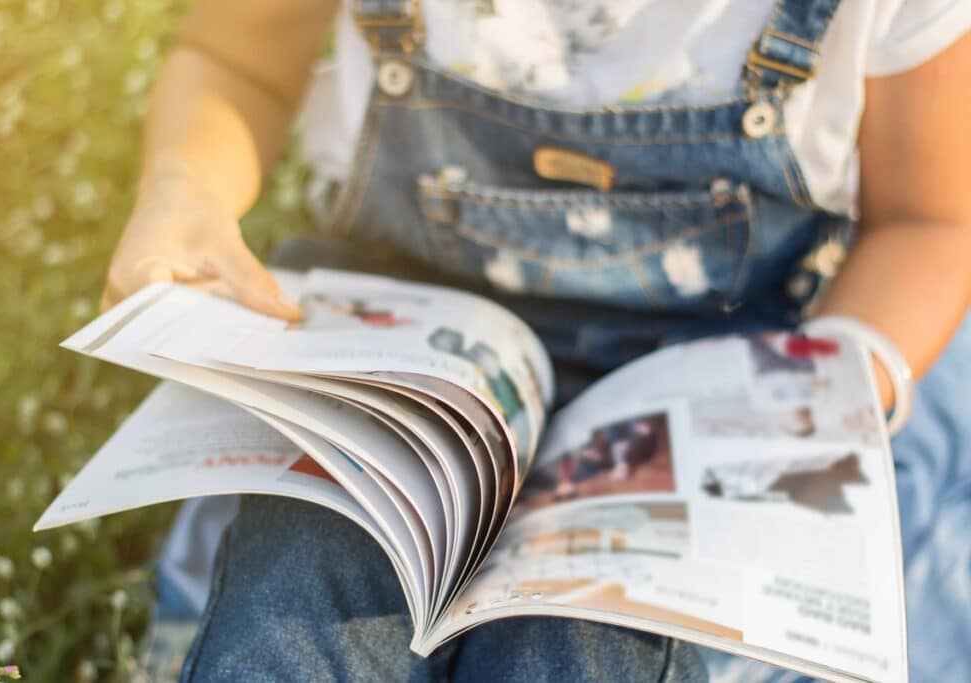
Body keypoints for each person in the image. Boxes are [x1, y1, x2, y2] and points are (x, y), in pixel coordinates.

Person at [100, 1, 971, 681]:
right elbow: (235, 57)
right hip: (404, 355)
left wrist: (835, 390)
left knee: (582, 644)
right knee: (307, 591)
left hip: (700, 375)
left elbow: (929, 221)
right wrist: (188, 186)